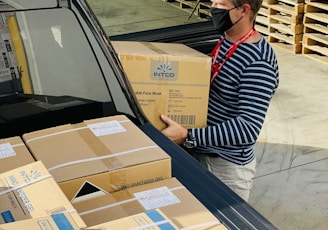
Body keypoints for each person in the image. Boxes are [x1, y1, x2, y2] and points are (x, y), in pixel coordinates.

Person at [160, 0, 279, 202]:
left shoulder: (258, 62)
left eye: (221, 5)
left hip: (224, 167)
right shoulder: (227, 39)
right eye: (213, 2)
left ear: (244, 9)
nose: (213, 9)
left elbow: (248, 128)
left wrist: (188, 135)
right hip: (201, 153)